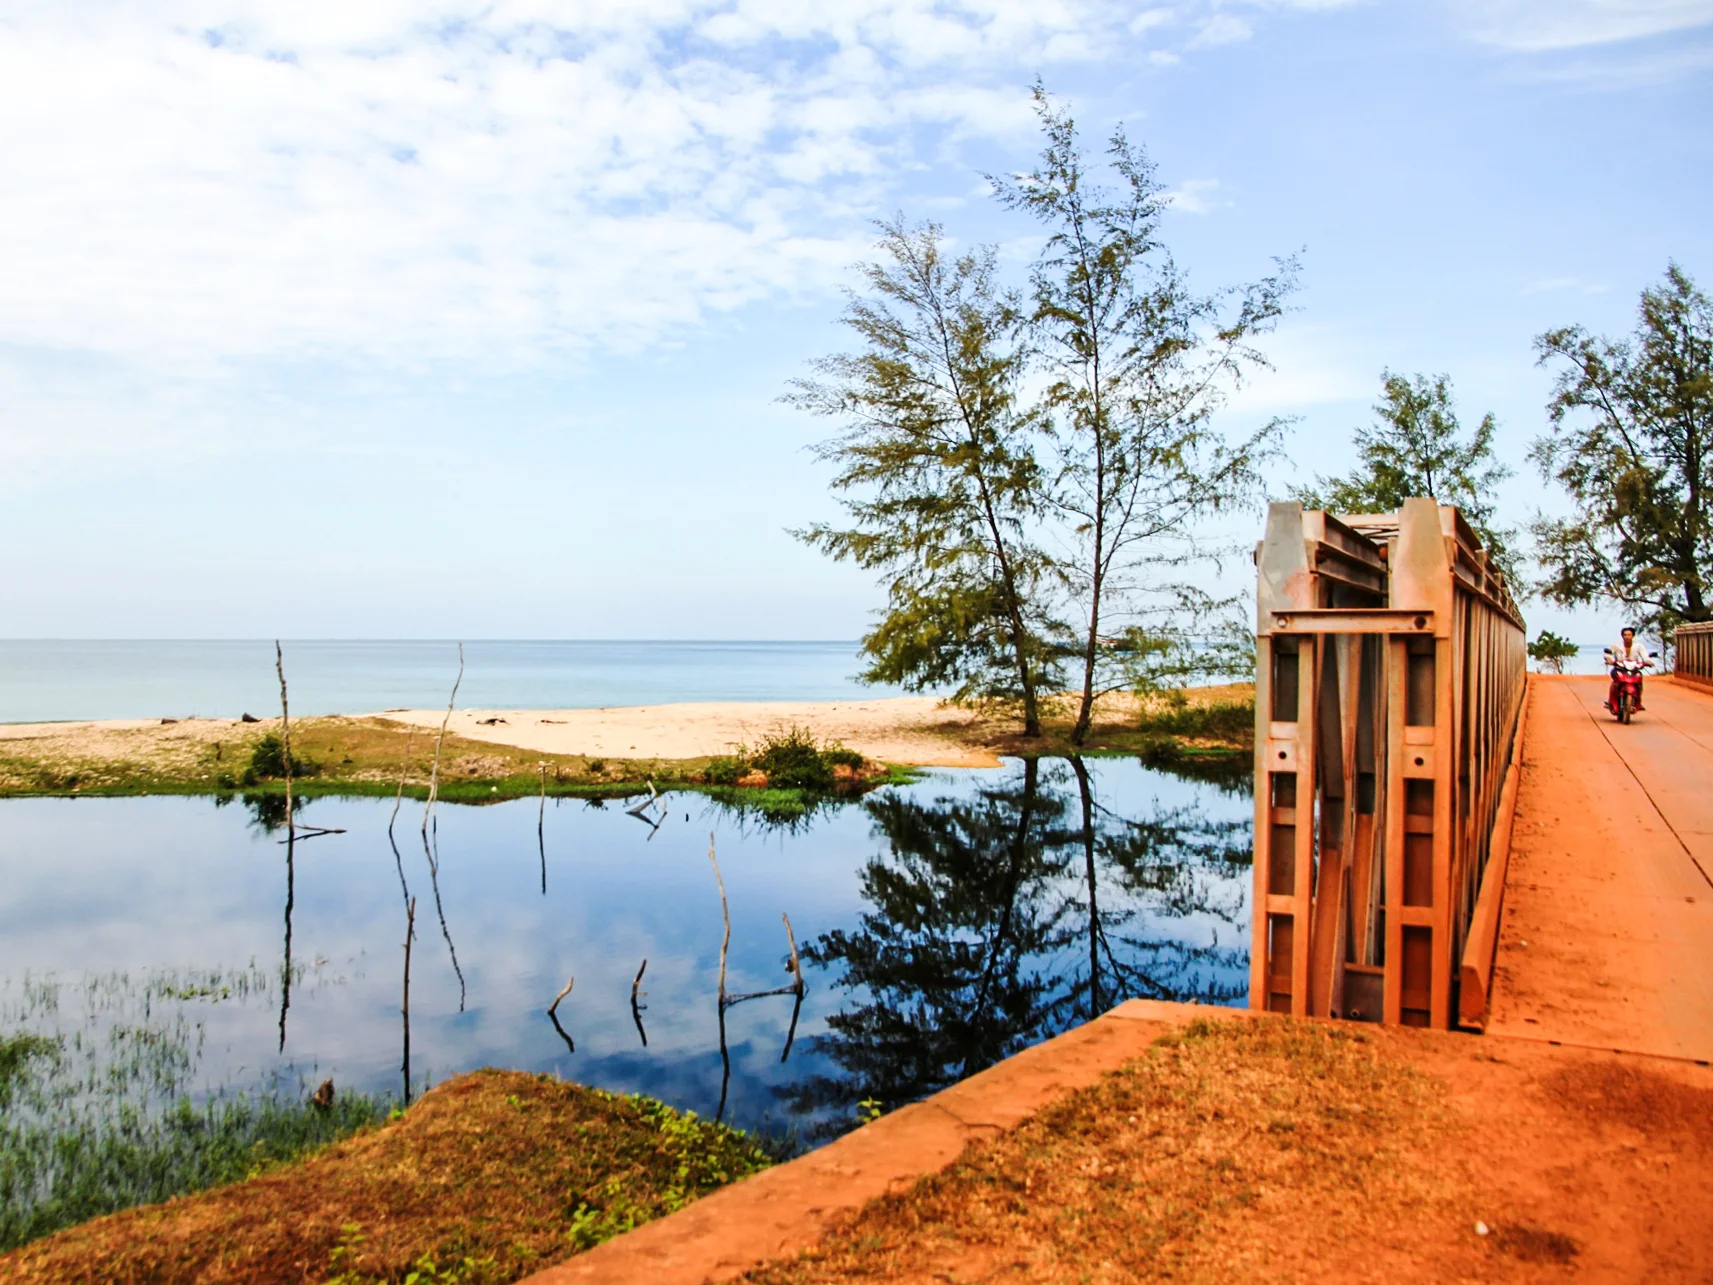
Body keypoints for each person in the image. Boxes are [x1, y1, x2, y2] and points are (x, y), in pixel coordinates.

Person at [1604, 627, 1655, 713]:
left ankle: (1638, 700)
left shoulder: (1639, 646)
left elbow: (1645, 656)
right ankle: (1611, 701)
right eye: (1625, 635)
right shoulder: (1616, 646)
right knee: (1615, 682)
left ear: (1633, 636)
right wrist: (1609, 659)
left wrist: (1648, 661)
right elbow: (1608, 654)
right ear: (1622, 636)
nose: (1627, 637)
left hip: (1633, 669)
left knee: (1639, 681)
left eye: (1629, 635)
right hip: (1619, 669)